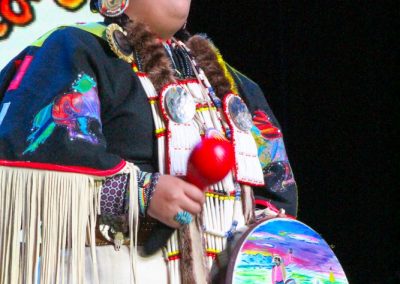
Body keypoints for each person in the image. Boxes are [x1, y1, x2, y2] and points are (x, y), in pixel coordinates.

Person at [0, 0, 298, 283]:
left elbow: (275, 195)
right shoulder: (75, 51)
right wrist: (141, 194)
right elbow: (34, 169)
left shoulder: (233, 85)